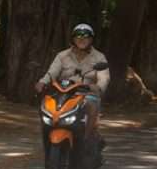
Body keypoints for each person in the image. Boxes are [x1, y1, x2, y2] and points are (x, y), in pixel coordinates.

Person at [35, 23, 110, 151]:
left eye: (86, 36)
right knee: (46, 105)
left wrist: (98, 87)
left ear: (91, 39)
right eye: (78, 36)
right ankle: (47, 136)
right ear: (73, 39)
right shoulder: (62, 56)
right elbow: (52, 72)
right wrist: (42, 82)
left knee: (91, 105)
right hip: (63, 92)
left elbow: (104, 77)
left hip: (87, 93)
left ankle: (86, 139)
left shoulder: (99, 57)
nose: (82, 39)